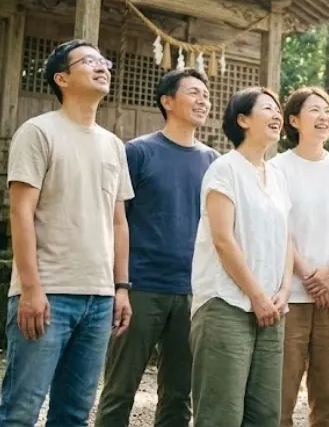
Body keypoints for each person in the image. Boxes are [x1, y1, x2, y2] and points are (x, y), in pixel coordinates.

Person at [0, 39, 134, 427]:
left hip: (100, 297)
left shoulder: (114, 145)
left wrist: (121, 287)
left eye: (104, 60)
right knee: (20, 410)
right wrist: (31, 289)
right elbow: (21, 214)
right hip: (49, 292)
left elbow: (118, 221)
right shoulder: (37, 132)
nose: (102, 66)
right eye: (89, 61)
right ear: (62, 78)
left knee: (73, 414)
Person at [96, 69, 219, 427]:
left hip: (192, 290)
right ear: (167, 101)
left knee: (180, 393)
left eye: (206, 95)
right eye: (193, 93)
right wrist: (119, 284)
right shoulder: (138, 152)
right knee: (120, 388)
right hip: (141, 287)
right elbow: (116, 221)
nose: (203, 101)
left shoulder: (213, 161)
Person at [190, 87, 293, 427]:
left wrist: (283, 291)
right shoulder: (224, 170)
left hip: (272, 306)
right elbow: (223, 239)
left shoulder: (278, 176)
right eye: (268, 108)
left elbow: (286, 237)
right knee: (222, 413)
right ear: (243, 120)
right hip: (226, 303)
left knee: (265, 414)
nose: (277, 114)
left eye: (278, 109)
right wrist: (257, 295)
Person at [272, 86, 329, 427]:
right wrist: (308, 274)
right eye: (315, 111)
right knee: (281, 390)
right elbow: (280, 229)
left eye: (328, 111)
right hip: (289, 293)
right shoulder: (278, 168)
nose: (324, 118)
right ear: (294, 120)